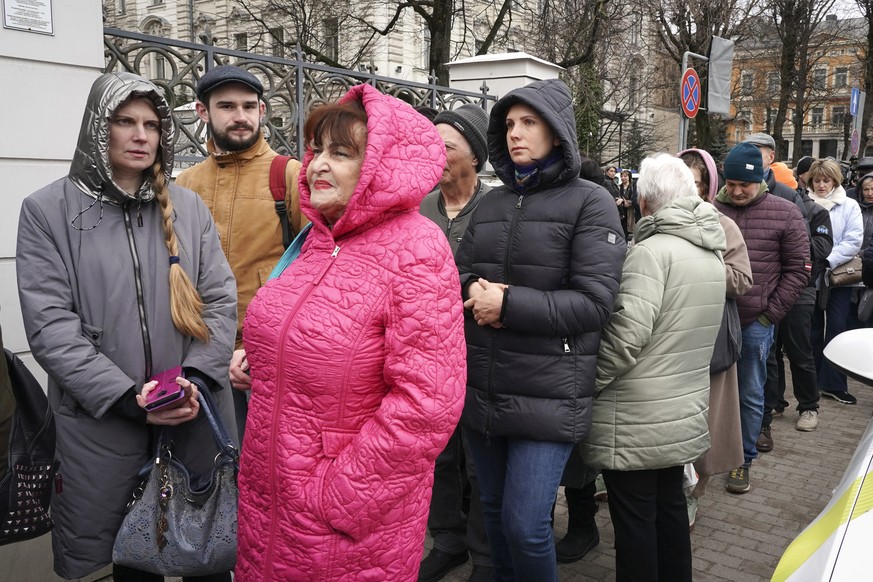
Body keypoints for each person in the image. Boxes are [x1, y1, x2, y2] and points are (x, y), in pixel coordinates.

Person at [233, 84, 466, 580]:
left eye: (341, 153)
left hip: (341, 517)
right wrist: (262, 359)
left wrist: (338, 496)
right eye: (316, 149)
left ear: (382, 165)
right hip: (269, 497)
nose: (317, 164)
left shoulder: (417, 248)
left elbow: (429, 403)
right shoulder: (318, 237)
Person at [15, 72, 238, 581]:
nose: (141, 135)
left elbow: (221, 303)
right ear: (99, 127)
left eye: (151, 124)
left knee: (208, 556)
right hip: (103, 426)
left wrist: (195, 384)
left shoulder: (188, 208)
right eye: (124, 122)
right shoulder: (47, 212)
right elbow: (51, 328)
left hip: (192, 413)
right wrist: (125, 399)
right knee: (131, 559)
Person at [456, 78, 625, 581]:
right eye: (509, 124)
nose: (515, 134)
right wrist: (474, 293)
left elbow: (595, 303)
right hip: (483, 387)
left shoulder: (591, 202)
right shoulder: (491, 203)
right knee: (492, 513)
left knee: (526, 524)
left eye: (528, 123)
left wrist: (506, 303)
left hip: (549, 393)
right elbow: (458, 274)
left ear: (557, 132)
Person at [582, 153, 726, 582]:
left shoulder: (649, 253)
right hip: (679, 413)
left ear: (644, 202)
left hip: (635, 418)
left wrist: (587, 382)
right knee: (669, 514)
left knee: (635, 526)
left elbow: (625, 337)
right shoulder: (709, 250)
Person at [175, 65, 305, 442]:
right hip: (198, 354)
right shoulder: (185, 184)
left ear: (262, 111)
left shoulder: (289, 175)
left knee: (263, 469)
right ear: (203, 111)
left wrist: (257, 348)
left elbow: (316, 267)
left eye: (250, 106)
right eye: (227, 106)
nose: (240, 117)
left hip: (264, 357)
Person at [418, 103, 492, 582]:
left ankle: (485, 553)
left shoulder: (497, 210)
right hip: (425, 354)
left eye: (446, 145)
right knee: (437, 453)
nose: (435, 153)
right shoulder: (418, 206)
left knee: (480, 456)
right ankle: (447, 538)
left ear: (476, 157)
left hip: (482, 352)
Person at [715, 142, 809, 494]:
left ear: (761, 180)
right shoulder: (711, 208)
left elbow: (799, 270)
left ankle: (742, 460)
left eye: (745, 185)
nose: (738, 191)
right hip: (713, 318)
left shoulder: (785, 212)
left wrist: (770, 317)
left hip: (756, 323)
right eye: (732, 183)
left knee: (750, 392)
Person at [678, 148, 752, 526]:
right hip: (669, 339)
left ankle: (694, 492)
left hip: (709, 339)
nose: (685, 191)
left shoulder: (723, 226)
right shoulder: (655, 221)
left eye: (693, 184)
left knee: (704, 421)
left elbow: (741, 280)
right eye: (680, 183)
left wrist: (697, 268)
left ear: (707, 187)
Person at [759, 162, 833, 444]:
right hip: (771, 288)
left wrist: (787, 241)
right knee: (771, 353)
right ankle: (776, 401)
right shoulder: (773, 210)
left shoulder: (816, 211)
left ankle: (809, 406)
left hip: (801, 290)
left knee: (800, 352)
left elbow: (823, 249)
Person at [808, 159, 863, 404]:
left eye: (826, 180)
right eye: (817, 180)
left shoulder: (849, 205)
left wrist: (828, 260)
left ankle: (834, 383)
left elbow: (853, 239)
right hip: (810, 275)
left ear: (835, 181)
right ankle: (813, 380)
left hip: (839, 275)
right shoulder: (804, 203)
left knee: (837, 328)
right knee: (812, 330)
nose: (821, 185)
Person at [619, 169, 638, 234]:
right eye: (622, 176)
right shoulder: (619, 187)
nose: (623, 178)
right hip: (622, 210)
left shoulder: (633, 187)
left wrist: (630, 202)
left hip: (631, 210)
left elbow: (635, 198)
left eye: (625, 176)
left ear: (629, 177)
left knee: (631, 227)